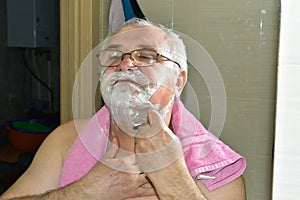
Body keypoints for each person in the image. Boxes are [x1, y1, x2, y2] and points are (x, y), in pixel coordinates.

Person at [0, 18, 246, 200]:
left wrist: (173, 180)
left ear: (178, 81)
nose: (126, 64)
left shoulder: (216, 170)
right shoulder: (66, 140)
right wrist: (86, 191)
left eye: (147, 56)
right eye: (114, 56)